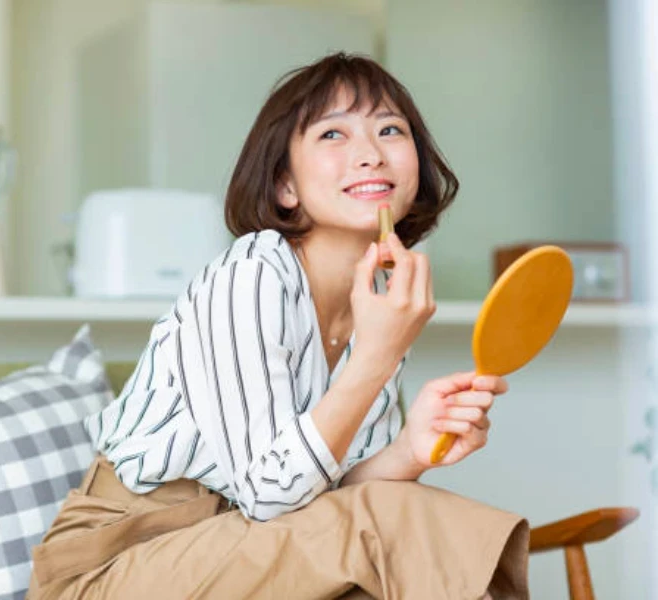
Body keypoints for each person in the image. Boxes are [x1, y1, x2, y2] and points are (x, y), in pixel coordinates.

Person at [28, 52, 529, 600]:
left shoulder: (379, 302)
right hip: (122, 560)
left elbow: (329, 492)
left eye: (390, 129)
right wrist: (377, 357)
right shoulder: (252, 271)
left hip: (254, 548)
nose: (369, 154)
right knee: (389, 523)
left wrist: (410, 448)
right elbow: (272, 494)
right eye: (333, 135)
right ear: (286, 186)